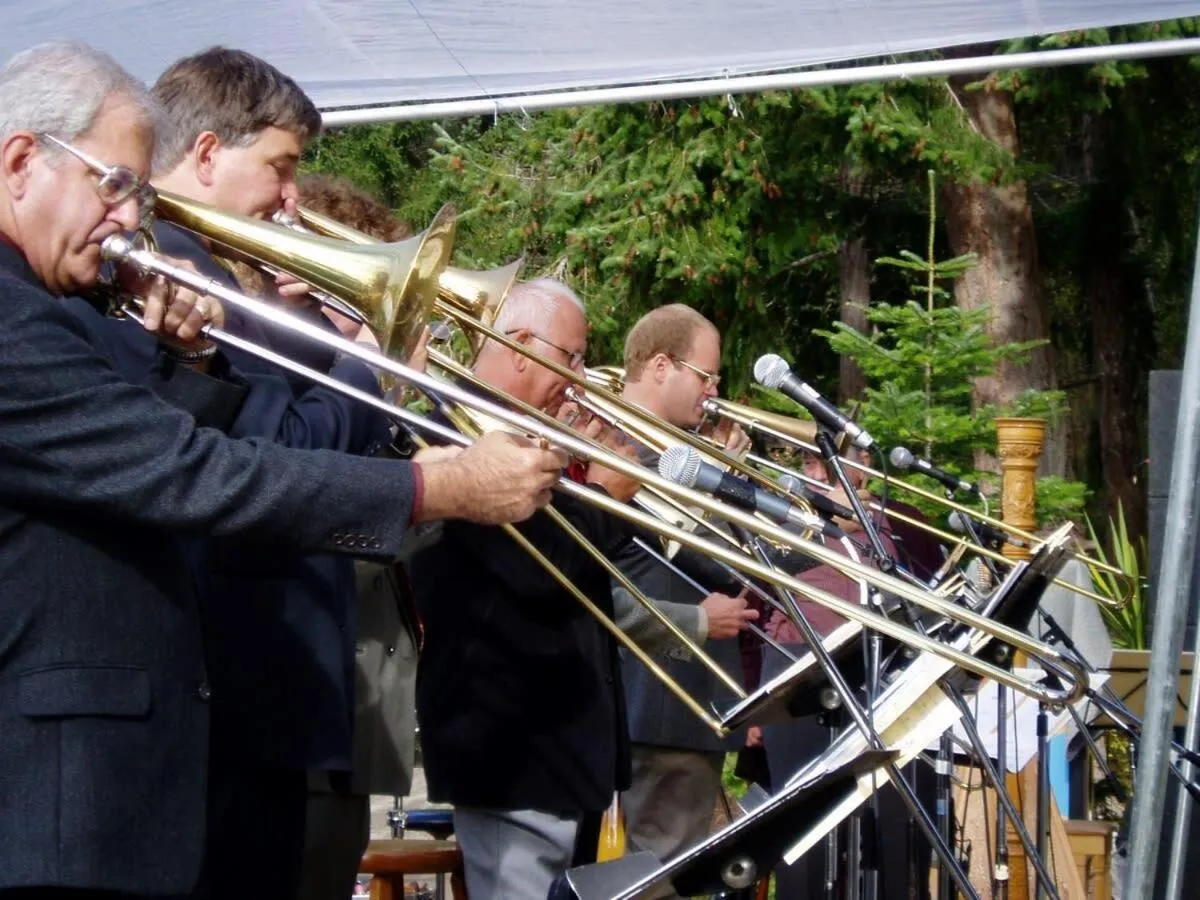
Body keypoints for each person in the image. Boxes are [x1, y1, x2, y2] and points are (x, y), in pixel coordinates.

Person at [0, 40, 564, 899]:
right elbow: (195, 476)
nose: (126, 218)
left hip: (126, 777)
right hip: (65, 799)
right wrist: (432, 486)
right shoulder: (16, 317)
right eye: (113, 184)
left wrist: (183, 364)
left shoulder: (51, 303)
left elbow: (140, 472)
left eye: (137, 194)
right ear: (20, 163)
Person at [145, 47, 421, 899]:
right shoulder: (170, 271)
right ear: (205, 155)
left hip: (261, 696)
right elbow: (280, 451)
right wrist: (370, 370)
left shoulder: (228, 280)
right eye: (280, 166)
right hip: (231, 687)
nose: (290, 196)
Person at [411, 278, 641, 900]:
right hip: (509, 745)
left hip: (563, 746)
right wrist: (606, 497)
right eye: (571, 356)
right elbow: (536, 572)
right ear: (518, 345)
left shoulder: (529, 431)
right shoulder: (451, 428)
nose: (582, 375)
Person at [284, 174, 424, 900]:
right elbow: (318, 523)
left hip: (345, 728)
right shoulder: (291, 381)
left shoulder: (344, 391)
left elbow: (409, 555)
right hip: (288, 719)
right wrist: (368, 378)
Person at [608, 305, 764, 895]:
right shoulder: (620, 443)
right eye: (707, 378)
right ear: (661, 366)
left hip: (676, 702)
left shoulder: (677, 453)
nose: (715, 393)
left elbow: (733, 568)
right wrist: (718, 478)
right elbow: (674, 554)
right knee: (658, 880)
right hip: (655, 697)